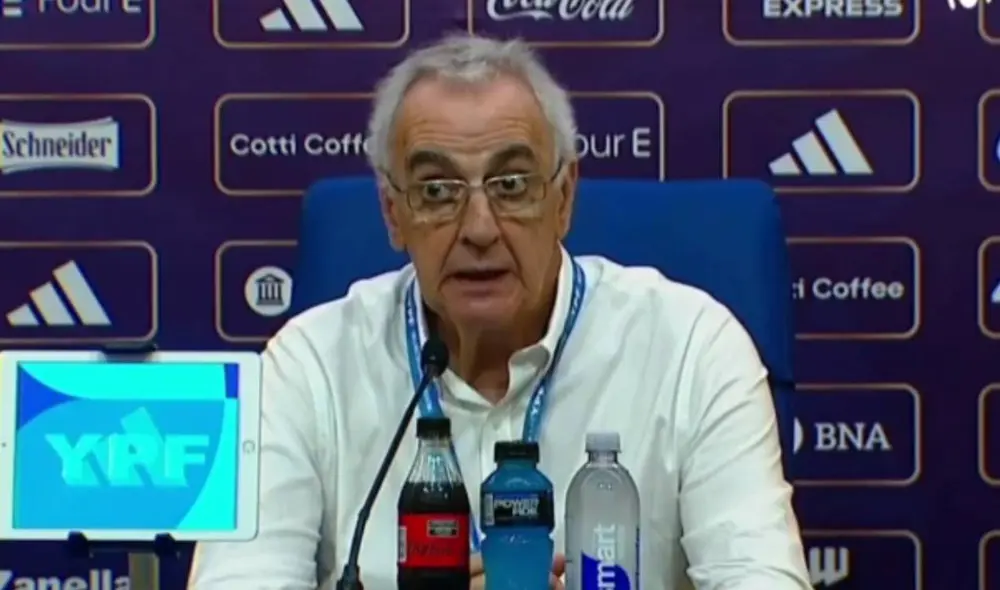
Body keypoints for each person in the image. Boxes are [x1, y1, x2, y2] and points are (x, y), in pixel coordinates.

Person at [188, 33, 812, 590]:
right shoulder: (307, 365)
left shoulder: (691, 348)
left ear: (564, 198)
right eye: (438, 192)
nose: (479, 228)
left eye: (512, 185)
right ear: (392, 213)